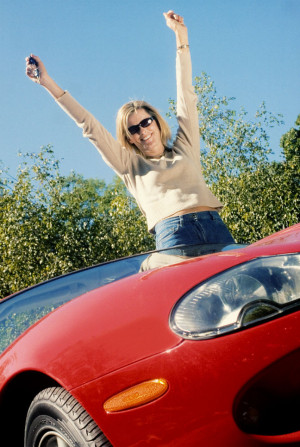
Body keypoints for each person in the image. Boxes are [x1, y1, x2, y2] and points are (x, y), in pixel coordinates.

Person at [26, 10, 235, 250]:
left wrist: (181, 38)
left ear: (156, 122)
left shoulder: (185, 148)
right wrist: (47, 83)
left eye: (146, 123)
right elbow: (88, 125)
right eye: (133, 129)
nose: (142, 131)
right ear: (130, 138)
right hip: (174, 234)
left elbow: (186, 94)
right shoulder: (129, 166)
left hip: (213, 224)